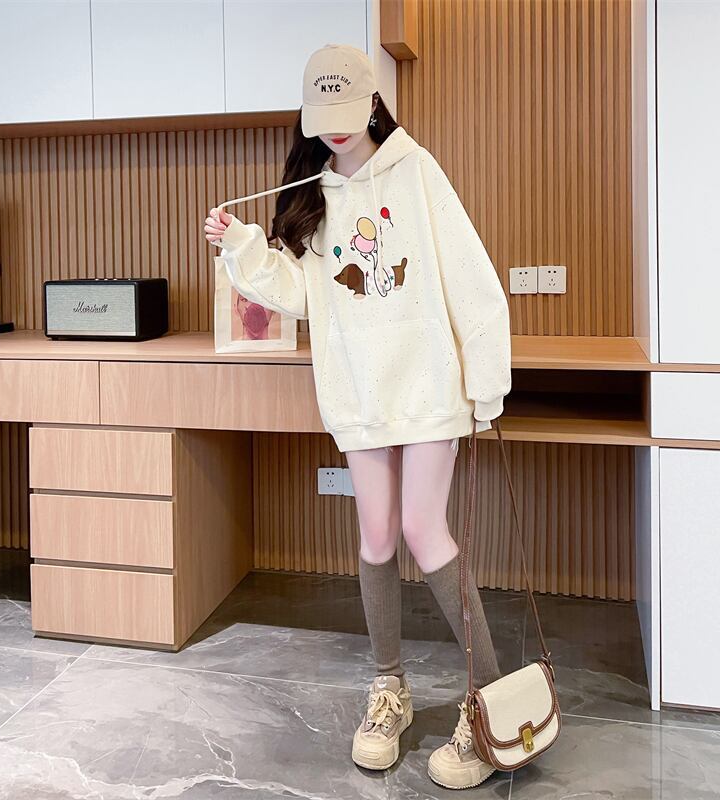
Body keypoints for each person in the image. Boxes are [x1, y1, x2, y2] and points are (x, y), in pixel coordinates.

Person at [203, 43, 511, 790]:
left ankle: (491, 706)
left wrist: (485, 379)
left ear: (374, 102)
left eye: (346, 112)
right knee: (376, 535)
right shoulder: (312, 193)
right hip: (358, 393)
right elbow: (304, 295)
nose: (336, 129)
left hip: (428, 385)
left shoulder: (417, 170)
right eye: (322, 117)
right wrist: (243, 246)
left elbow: (470, 273)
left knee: (423, 531)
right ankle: (389, 688)